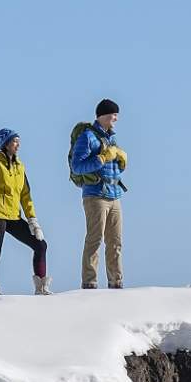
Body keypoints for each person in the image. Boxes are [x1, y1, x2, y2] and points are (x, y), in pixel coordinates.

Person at [0, 128, 51, 295]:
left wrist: (32, 220)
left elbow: (25, 195)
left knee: (40, 245)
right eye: (14, 141)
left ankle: (41, 287)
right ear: (5, 144)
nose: (18, 144)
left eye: (18, 141)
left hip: (14, 215)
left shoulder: (20, 166)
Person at [69, 99, 127, 289]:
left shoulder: (112, 137)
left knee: (116, 242)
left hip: (114, 194)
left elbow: (112, 166)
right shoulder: (87, 136)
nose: (116, 118)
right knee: (95, 240)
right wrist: (101, 158)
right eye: (113, 115)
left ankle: (116, 282)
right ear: (103, 115)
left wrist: (120, 161)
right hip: (95, 195)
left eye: (117, 115)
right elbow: (77, 166)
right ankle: (89, 283)